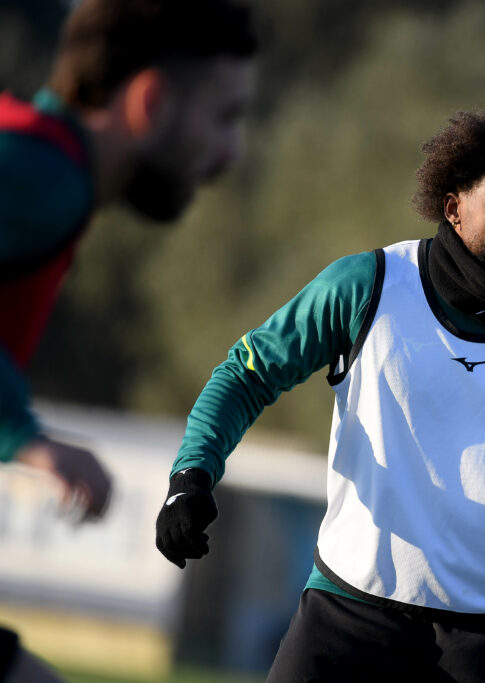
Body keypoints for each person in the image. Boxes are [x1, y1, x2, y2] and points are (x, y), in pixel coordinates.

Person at [154, 105, 485, 682]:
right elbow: (247, 375)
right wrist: (192, 474)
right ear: (453, 206)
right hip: (349, 616)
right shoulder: (366, 287)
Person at [0, 0, 258, 680]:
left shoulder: (34, 157)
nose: (229, 153)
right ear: (150, 101)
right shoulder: (42, 178)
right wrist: (24, 435)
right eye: (223, 116)